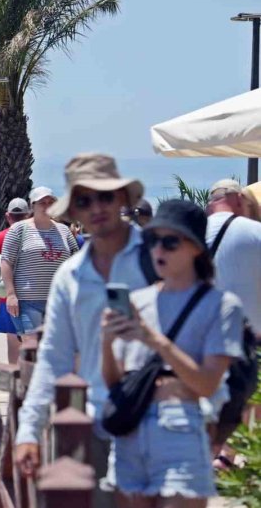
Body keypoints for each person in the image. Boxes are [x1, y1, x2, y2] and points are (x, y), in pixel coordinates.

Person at [14, 153, 149, 508]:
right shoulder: (69, 277)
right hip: (98, 423)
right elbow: (53, 359)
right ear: (73, 211)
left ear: (123, 199)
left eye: (105, 196)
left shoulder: (157, 259)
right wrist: (29, 429)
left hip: (157, 424)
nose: (97, 207)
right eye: (84, 200)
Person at [101, 200, 244, 505]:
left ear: (195, 247)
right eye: (153, 240)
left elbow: (206, 384)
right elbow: (115, 382)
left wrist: (155, 340)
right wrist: (106, 341)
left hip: (180, 425)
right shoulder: (138, 300)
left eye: (170, 242)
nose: (158, 251)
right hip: (131, 427)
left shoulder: (221, 305)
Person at [204, 178, 261, 465]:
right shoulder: (256, 232)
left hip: (202, 339)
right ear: (239, 199)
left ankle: (215, 454)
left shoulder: (188, 235)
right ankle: (228, 455)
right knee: (249, 400)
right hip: (251, 339)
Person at [1, 186, 78, 342]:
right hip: (27, 302)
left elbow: (76, 261)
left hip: (58, 302)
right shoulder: (18, 229)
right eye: (42, 202)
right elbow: (6, 261)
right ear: (32, 206)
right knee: (32, 349)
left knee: (55, 350)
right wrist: (10, 295)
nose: (47, 205)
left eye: (51, 202)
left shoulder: (64, 231)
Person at [0, 198, 29, 363]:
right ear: (28, 215)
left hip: (7, 298)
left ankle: (16, 381)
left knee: (13, 342)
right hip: (33, 296)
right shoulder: (35, 236)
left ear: (7, 216)